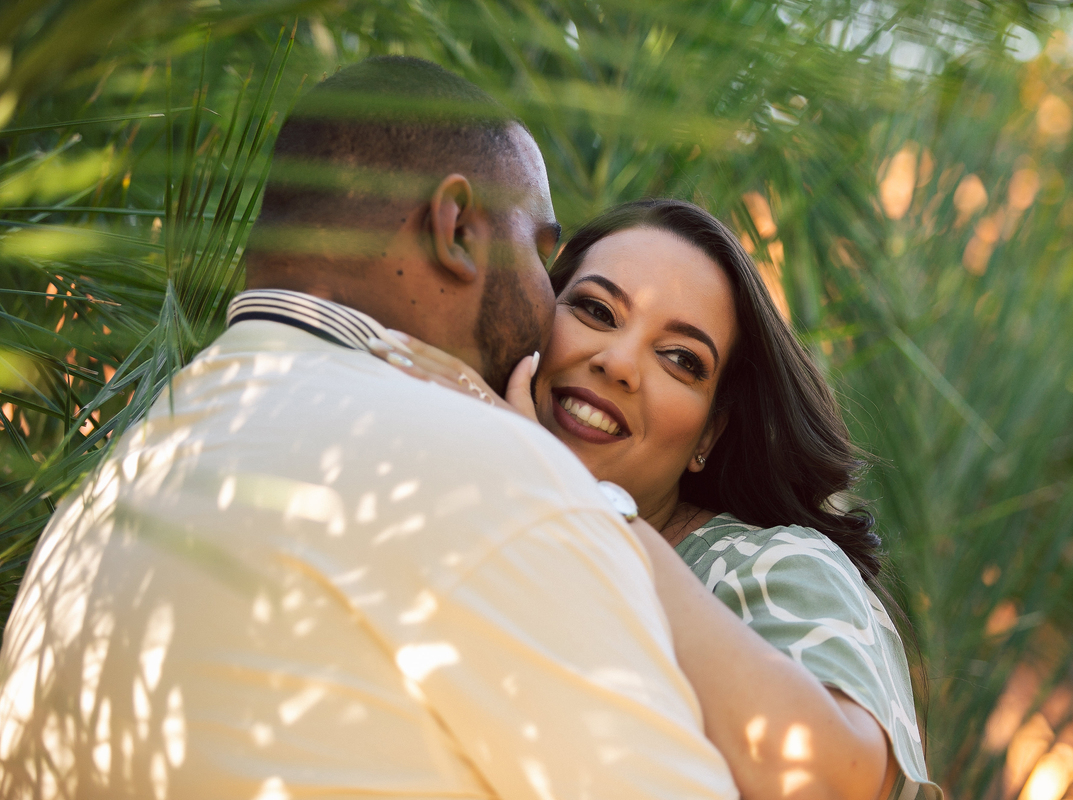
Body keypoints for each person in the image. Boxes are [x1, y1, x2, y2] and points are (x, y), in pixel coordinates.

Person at [0, 59, 740, 799]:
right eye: (542, 251)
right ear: (456, 229)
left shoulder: (117, 482)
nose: (550, 300)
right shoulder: (479, 475)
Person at [370, 199, 944, 800]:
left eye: (680, 360)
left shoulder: (765, 567)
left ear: (709, 435)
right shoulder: (439, 509)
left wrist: (580, 509)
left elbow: (828, 784)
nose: (618, 363)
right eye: (596, 310)